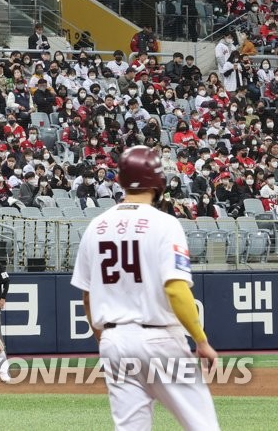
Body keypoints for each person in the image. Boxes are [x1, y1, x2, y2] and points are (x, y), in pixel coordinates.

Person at [71, 146, 219, 430]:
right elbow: (176, 290)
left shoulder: (96, 226)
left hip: (114, 341)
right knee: (203, 426)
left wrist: (104, 340)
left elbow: (87, 297)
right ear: (158, 181)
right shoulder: (165, 223)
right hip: (159, 339)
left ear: (121, 180)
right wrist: (201, 340)